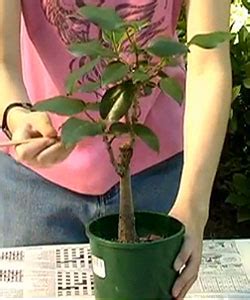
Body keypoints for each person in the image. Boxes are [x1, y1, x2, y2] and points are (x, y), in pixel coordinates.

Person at [0, 0, 232, 298]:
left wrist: (193, 205)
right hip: (34, 188)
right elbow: (2, 62)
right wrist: (17, 115)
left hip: (159, 182)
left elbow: (209, 65)